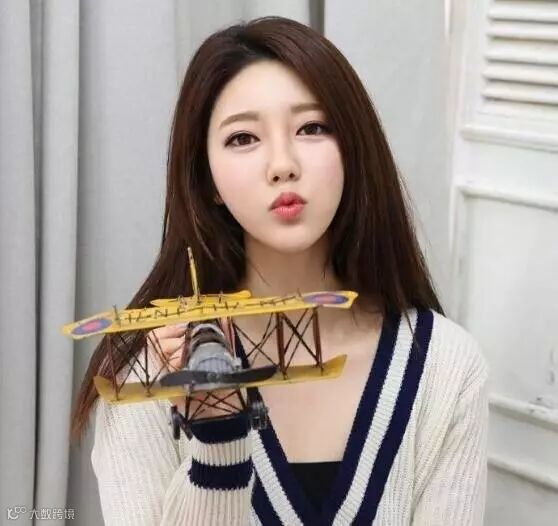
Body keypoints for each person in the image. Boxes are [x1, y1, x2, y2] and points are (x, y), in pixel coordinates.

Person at [71, 16, 489, 526]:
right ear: (207, 179)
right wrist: (218, 448)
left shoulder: (445, 365)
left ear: (354, 150)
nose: (283, 164)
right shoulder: (147, 369)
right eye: (243, 138)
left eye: (312, 128)